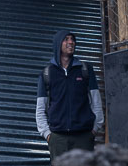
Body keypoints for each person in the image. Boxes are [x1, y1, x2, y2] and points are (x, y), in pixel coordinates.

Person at [35, 30, 103, 158]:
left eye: (72, 39)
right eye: (66, 39)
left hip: (84, 137)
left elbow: (96, 102)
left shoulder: (85, 70)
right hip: (58, 139)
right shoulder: (47, 73)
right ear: (58, 44)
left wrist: (94, 130)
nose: (71, 42)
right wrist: (48, 135)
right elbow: (40, 108)